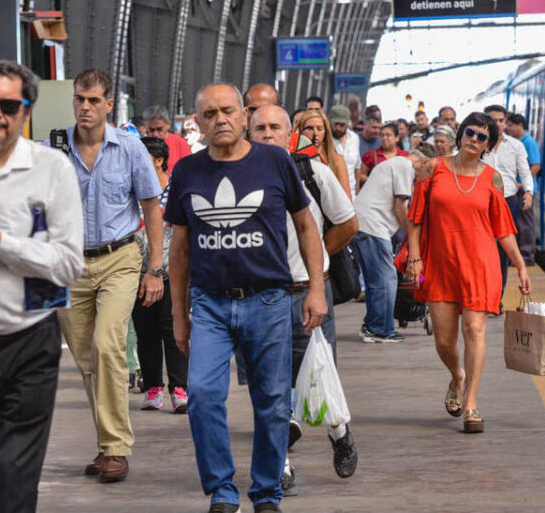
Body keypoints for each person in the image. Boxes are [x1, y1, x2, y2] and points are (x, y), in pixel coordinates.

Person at [167, 83, 326, 513]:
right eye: (210, 114)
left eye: (227, 111)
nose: (219, 119)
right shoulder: (187, 172)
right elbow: (179, 251)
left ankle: (266, 492)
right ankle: (221, 491)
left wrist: (316, 288)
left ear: (243, 116)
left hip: (269, 300)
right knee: (200, 394)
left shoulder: (275, 161)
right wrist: (178, 315)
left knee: (273, 403)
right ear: (198, 124)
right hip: (211, 304)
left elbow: (307, 226)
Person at [57, 69, 165, 483]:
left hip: (120, 258)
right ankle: (106, 445)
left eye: (94, 100)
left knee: (108, 347)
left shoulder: (131, 148)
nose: (86, 107)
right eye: (80, 99)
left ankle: (117, 448)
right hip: (69, 265)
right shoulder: (56, 148)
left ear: (108, 104)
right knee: (87, 361)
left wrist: (154, 269)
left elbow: (152, 209)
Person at [249, 105, 360, 493]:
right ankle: (281, 463)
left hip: (305, 292)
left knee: (318, 373)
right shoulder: (236, 174)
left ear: (288, 133)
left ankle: (339, 431)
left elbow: (348, 222)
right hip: (259, 298)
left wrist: (318, 266)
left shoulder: (311, 171)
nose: (266, 134)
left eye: (274, 127)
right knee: (270, 386)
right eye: (259, 128)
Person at [0, 60, 84, 512]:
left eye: (8, 104)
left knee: (13, 476)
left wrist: (2, 244)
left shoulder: (51, 170)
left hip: (28, 343)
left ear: (26, 111)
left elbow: (68, 265)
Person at [405, 112, 530, 434]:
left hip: (480, 265)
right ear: (461, 134)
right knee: (445, 341)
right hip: (440, 264)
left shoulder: (493, 179)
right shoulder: (432, 169)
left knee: (474, 329)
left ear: (489, 144)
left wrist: (519, 264)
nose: (475, 140)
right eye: (470, 133)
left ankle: (472, 404)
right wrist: (415, 259)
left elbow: (503, 229)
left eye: (482, 137)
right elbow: (415, 218)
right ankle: (457, 376)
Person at [133, 137, 189, 413]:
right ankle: (153, 387)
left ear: (158, 160)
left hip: (172, 272)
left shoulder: (176, 189)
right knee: (146, 332)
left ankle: (179, 388)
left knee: (173, 328)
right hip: (138, 272)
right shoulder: (132, 189)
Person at [352, 152, 426, 343]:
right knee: (387, 279)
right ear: (421, 162)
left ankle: (372, 324)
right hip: (373, 225)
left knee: (375, 280)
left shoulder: (394, 165)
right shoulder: (404, 166)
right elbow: (399, 206)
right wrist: (411, 234)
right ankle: (380, 329)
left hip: (363, 223)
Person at [482, 105, 534, 296]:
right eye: (492, 120)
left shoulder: (516, 146)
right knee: (484, 250)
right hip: (482, 204)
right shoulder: (478, 144)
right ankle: (484, 292)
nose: (497, 124)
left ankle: (498, 296)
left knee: (504, 252)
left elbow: (525, 172)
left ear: (505, 122)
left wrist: (528, 192)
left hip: (507, 202)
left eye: (501, 120)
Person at [505, 113, 541, 264]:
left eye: (510, 125)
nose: (508, 128)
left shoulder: (528, 142)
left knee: (526, 223)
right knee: (518, 222)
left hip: (524, 190)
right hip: (516, 189)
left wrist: (524, 185)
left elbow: (536, 166)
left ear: (520, 125)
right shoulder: (518, 141)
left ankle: (527, 255)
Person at [295, 109, 352, 201]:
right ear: (301, 130)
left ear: (325, 132)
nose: (315, 133)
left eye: (319, 129)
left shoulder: (337, 160)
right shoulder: (292, 158)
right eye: (310, 128)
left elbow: (347, 199)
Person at [142, 104, 192, 174]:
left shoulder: (180, 144)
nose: (155, 134)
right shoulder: (142, 146)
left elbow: (189, 171)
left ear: (168, 124)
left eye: (159, 129)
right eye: (151, 130)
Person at [330, 104, 361, 197]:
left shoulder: (354, 138)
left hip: (351, 194)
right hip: (332, 193)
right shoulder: (326, 140)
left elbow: (357, 167)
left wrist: (357, 191)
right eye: (336, 124)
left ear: (348, 123)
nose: (338, 128)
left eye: (342, 124)